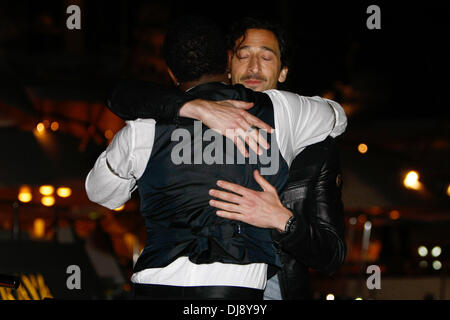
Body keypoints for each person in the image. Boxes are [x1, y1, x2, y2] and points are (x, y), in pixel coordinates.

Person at [86, 15, 346, 300]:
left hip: (269, 285)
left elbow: (331, 255)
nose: (254, 67)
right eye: (243, 56)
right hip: (226, 283)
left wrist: (283, 220)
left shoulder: (305, 133)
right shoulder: (283, 110)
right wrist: (195, 108)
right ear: (227, 65)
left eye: (266, 57)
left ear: (284, 71)